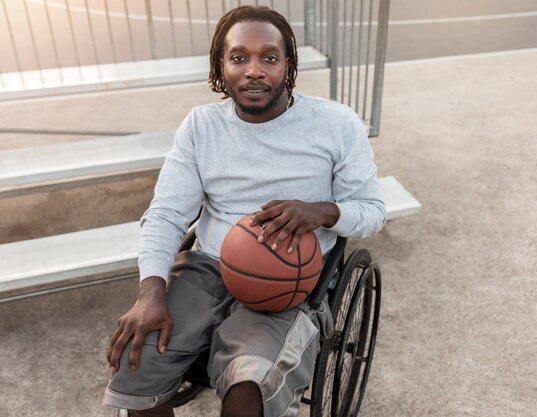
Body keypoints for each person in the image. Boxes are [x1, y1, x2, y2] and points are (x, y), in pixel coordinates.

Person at [103, 5, 386, 417]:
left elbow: (373, 210)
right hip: (207, 267)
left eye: (269, 57)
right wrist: (151, 292)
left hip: (287, 279)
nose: (254, 70)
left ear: (288, 65)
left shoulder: (336, 124)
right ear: (221, 66)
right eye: (239, 57)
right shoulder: (201, 127)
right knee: (137, 362)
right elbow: (165, 215)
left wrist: (323, 211)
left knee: (248, 386)